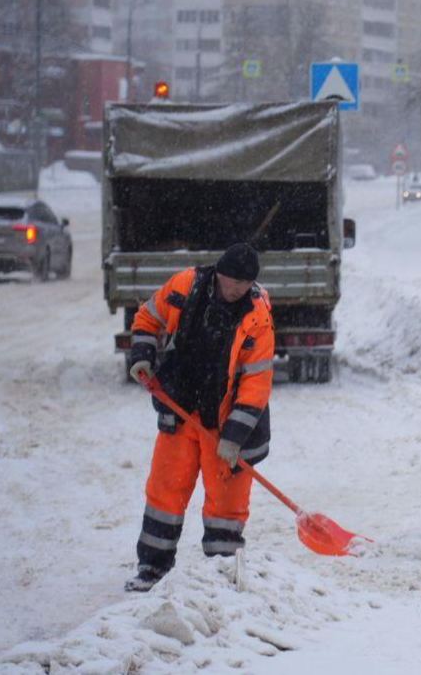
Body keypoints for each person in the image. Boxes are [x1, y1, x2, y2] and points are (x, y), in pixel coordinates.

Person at [124, 243, 275, 591]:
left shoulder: (257, 317)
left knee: (227, 505)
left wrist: (234, 437)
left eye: (244, 282)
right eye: (231, 279)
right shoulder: (185, 286)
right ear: (218, 272)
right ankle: (152, 568)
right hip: (181, 409)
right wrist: (143, 355)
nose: (236, 288)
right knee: (165, 493)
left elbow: (256, 383)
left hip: (229, 424)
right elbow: (148, 318)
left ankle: (222, 575)